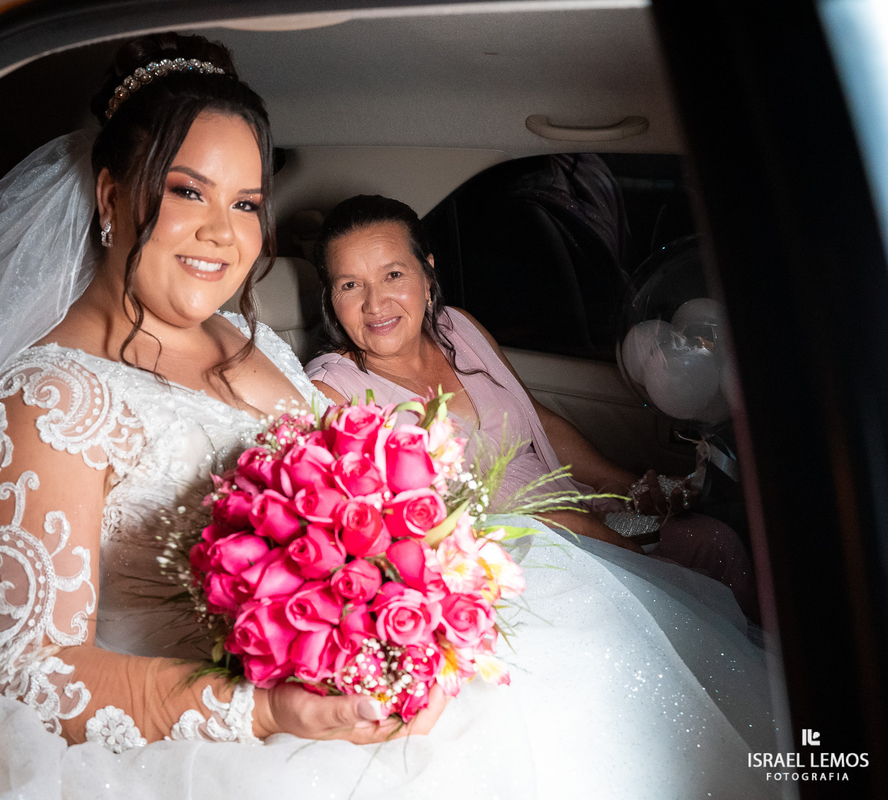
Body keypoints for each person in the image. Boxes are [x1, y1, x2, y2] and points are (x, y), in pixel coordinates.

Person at [0, 35, 780, 800]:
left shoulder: (259, 347)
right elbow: (32, 672)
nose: (224, 232)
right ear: (112, 197)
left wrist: (409, 599)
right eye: (188, 192)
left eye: (248, 201)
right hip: (203, 725)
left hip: (354, 660)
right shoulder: (47, 401)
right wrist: (270, 711)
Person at [305, 194, 759, 621]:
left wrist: (622, 484)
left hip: (570, 506)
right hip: (509, 560)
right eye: (351, 285)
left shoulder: (459, 327)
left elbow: (536, 418)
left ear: (427, 275)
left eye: (393, 275)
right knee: (674, 596)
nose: (375, 303)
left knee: (717, 542)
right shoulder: (333, 393)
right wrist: (586, 532)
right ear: (331, 298)